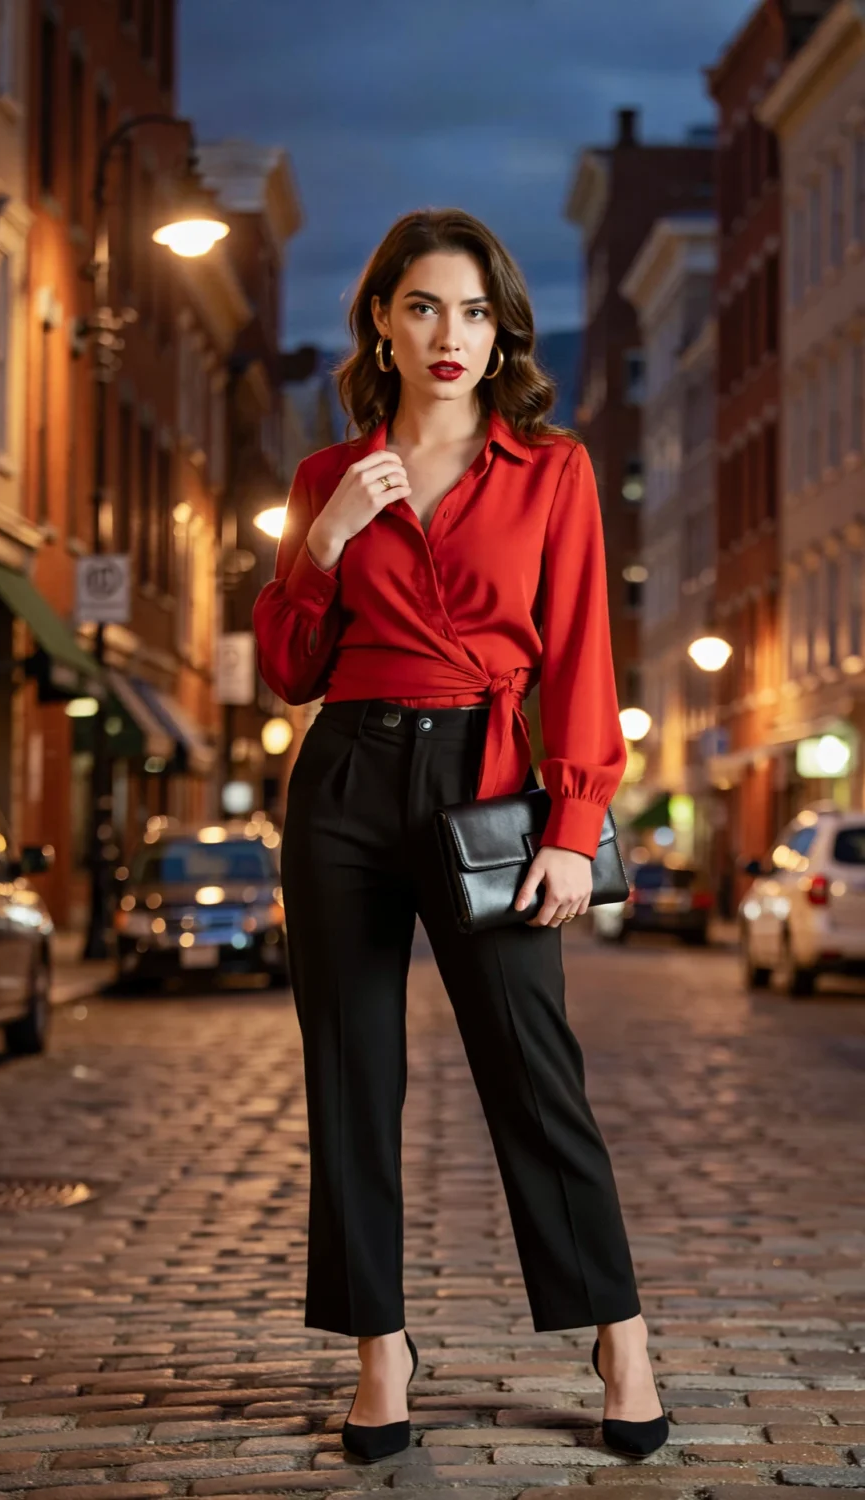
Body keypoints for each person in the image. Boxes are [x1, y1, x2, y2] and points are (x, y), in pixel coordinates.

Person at [251, 209, 666, 1464]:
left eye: (475, 312)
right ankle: (381, 1352)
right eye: (424, 306)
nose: (450, 335)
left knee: (533, 1071)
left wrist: (573, 818)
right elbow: (285, 667)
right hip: (343, 780)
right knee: (349, 1073)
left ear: (501, 334)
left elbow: (584, 652)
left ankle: (618, 1334)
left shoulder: (552, 470)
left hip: (485, 777)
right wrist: (321, 548)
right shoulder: (327, 478)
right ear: (380, 318)